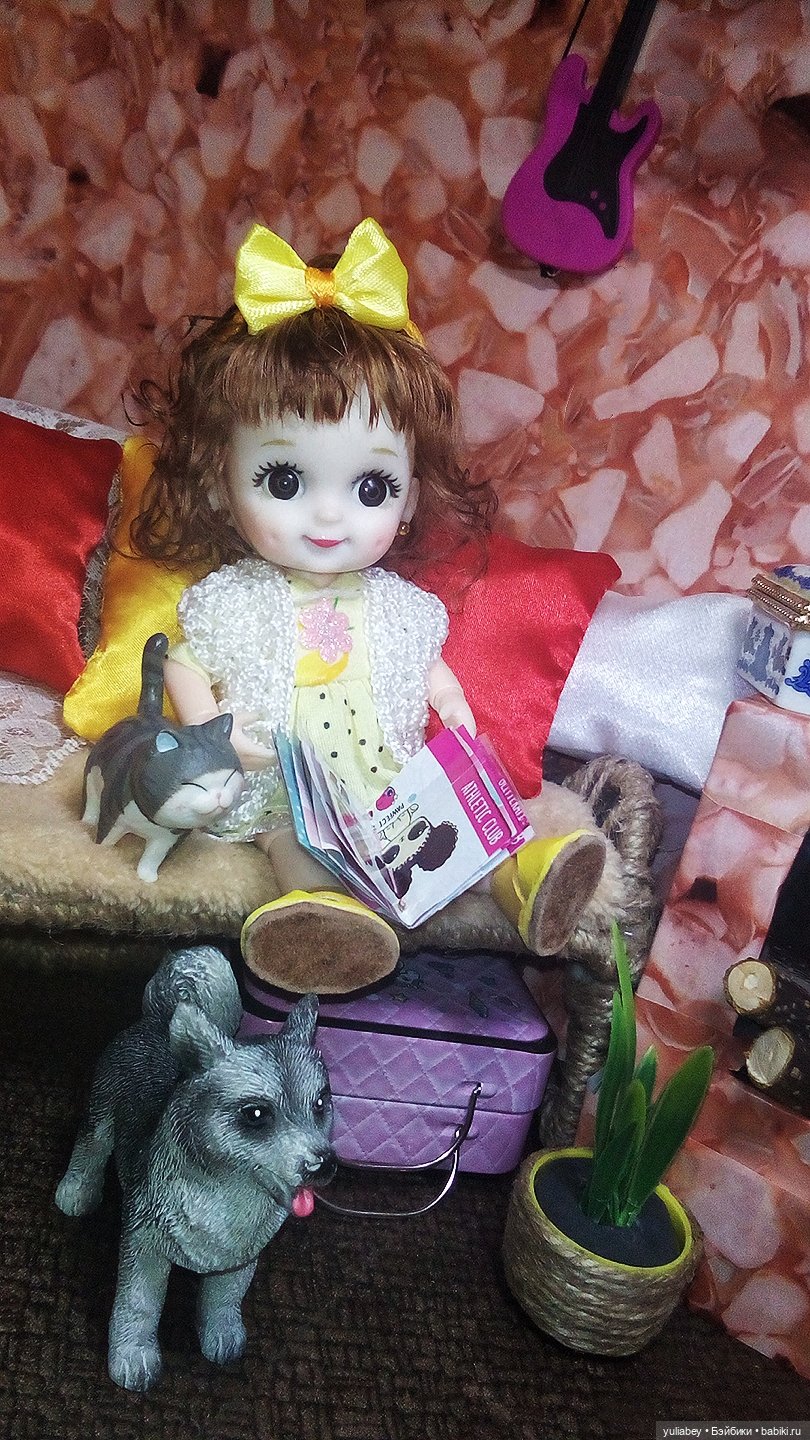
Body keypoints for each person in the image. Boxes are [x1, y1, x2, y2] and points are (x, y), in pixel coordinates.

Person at [132, 217, 606, 994]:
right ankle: (318, 914)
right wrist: (215, 733)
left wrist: (451, 703)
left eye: (371, 487)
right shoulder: (236, 600)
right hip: (283, 783)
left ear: (409, 499)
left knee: (451, 828)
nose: (330, 516)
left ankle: (525, 878)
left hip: (384, 779)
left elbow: (430, 667)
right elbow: (186, 666)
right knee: (292, 838)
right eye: (285, 481)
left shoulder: (400, 606)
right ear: (221, 482)